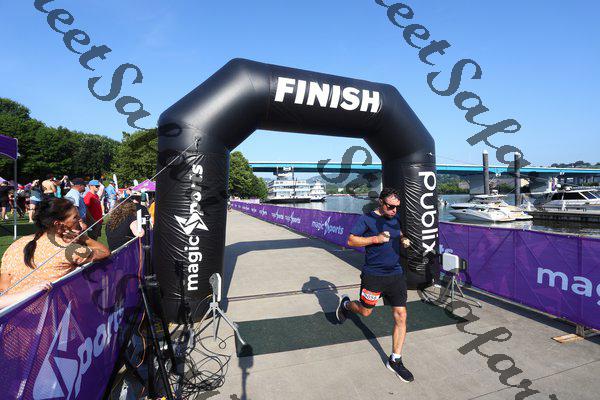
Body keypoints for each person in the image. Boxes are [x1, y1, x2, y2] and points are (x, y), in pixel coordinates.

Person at [336, 187, 414, 382]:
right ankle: (346, 305)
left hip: (395, 274)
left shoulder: (395, 218)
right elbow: (351, 241)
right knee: (365, 312)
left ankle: (395, 360)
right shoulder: (367, 219)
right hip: (374, 275)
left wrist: (404, 239)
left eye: (397, 207)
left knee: (401, 315)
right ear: (381, 202)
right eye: (390, 206)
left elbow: (399, 233)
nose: (394, 210)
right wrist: (375, 239)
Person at [0, 198, 110, 295]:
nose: (79, 220)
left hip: (14, 310)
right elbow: (104, 252)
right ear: (58, 224)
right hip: (53, 309)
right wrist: (84, 238)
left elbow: (4, 286)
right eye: (75, 218)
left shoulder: (17, 244)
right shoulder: (69, 250)